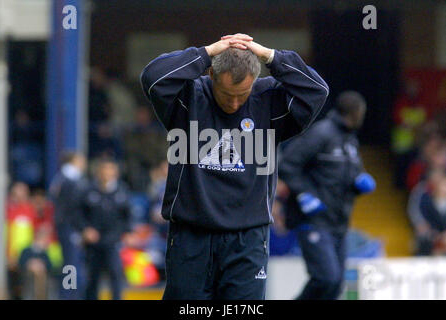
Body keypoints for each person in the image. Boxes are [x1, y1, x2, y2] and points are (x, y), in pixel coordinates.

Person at [140, 33, 329, 299]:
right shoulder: (187, 99)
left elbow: (317, 90)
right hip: (191, 237)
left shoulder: (268, 101)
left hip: (248, 239)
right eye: (227, 94)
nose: (234, 103)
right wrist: (206, 52)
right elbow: (152, 76)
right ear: (211, 77)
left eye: (243, 95)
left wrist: (270, 56)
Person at [279, 91, 376, 300]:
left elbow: (347, 177)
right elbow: (287, 164)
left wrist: (359, 183)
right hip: (314, 220)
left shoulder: (350, 140)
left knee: (335, 286)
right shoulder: (321, 133)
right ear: (356, 112)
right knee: (326, 279)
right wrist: (304, 194)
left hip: (339, 222)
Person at [77, 158, 133, 300]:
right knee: (92, 278)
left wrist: (127, 233)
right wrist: (86, 229)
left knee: (115, 274)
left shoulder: (122, 191)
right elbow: (79, 214)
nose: (106, 173)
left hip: (113, 241)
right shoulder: (88, 191)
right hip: (93, 242)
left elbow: (127, 216)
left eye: (110, 170)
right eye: (103, 170)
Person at [48, 151, 88, 299]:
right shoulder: (71, 180)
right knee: (71, 264)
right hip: (70, 227)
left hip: (66, 226)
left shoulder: (61, 179)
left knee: (70, 263)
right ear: (74, 161)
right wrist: (80, 228)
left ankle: (68, 294)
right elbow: (73, 208)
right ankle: (69, 295)